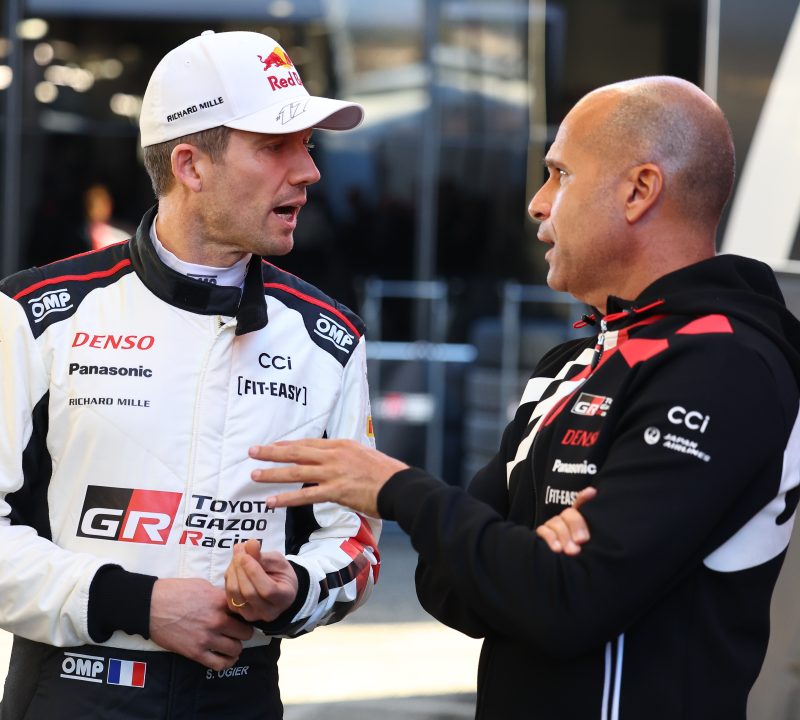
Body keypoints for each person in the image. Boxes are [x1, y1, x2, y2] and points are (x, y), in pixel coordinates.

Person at [242, 75, 800, 719]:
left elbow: (567, 603)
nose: (537, 204)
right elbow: (448, 590)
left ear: (640, 190)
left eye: (560, 174)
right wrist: (526, 558)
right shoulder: (573, 363)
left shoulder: (726, 363)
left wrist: (398, 490)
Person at [0, 30, 379, 720]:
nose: (308, 171)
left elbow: (353, 545)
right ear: (190, 165)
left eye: (307, 145)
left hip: (239, 694)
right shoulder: (35, 315)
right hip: (73, 689)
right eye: (276, 146)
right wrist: (133, 601)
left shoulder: (328, 340)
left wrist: (294, 589)